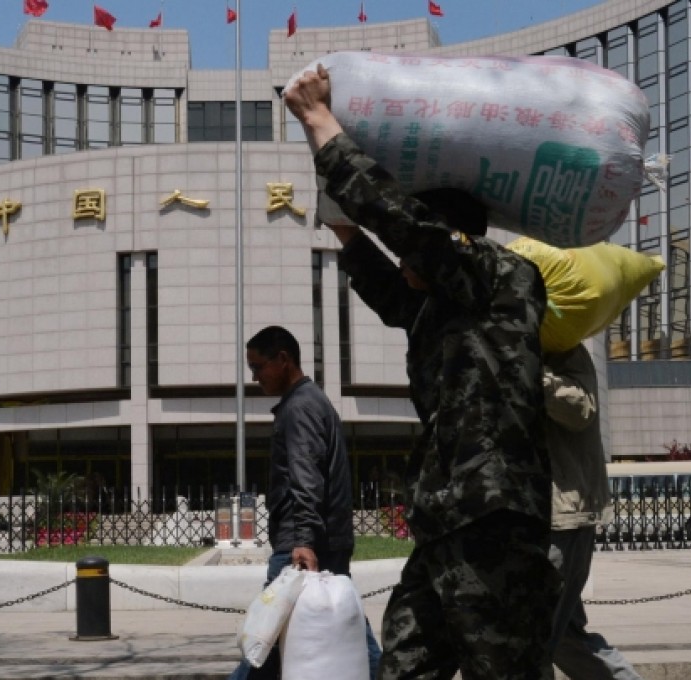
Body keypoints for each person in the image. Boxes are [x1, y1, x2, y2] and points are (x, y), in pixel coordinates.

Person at [284, 64, 560, 680]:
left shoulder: (500, 279)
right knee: (405, 664)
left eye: (411, 252)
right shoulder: (441, 308)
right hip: (445, 520)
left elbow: (408, 227)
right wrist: (348, 235)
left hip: (493, 519)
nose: (401, 261)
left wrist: (323, 125)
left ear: (444, 243)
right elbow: (386, 286)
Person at [230, 325, 380, 680]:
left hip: (303, 545)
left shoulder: (300, 407)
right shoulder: (312, 401)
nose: (254, 377)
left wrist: (303, 540)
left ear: (283, 360)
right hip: (320, 541)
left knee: (264, 639)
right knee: (349, 633)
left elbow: (306, 477)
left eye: (258, 366)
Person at [543, 342, 644, 680]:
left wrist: (528, 372)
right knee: (565, 638)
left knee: (533, 635)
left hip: (561, 516)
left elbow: (580, 409)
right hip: (522, 516)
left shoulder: (562, 348)